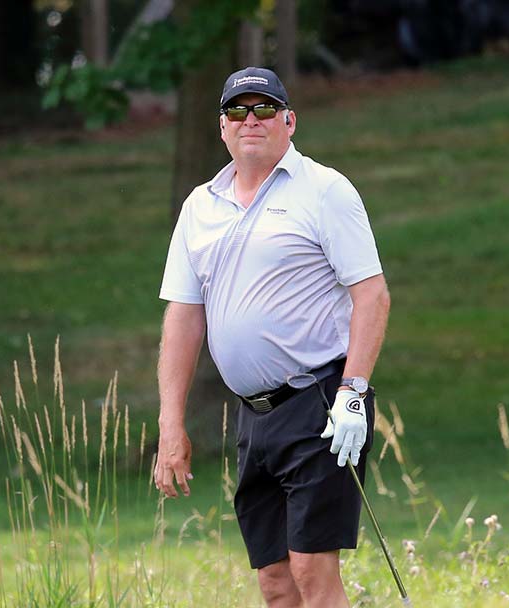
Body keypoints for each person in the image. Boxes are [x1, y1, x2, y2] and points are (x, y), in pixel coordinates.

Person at [155, 66, 390, 607]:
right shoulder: (200, 207)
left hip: (319, 403)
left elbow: (372, 296)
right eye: (238, 111)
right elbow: (184, 317)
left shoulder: (325, 191)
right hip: (253, 417)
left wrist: (353, 392)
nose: (251, 121)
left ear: (290, 121)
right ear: (222, 127)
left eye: (264, 110)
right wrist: (172, 423)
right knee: (276, 583)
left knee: (312, 572)